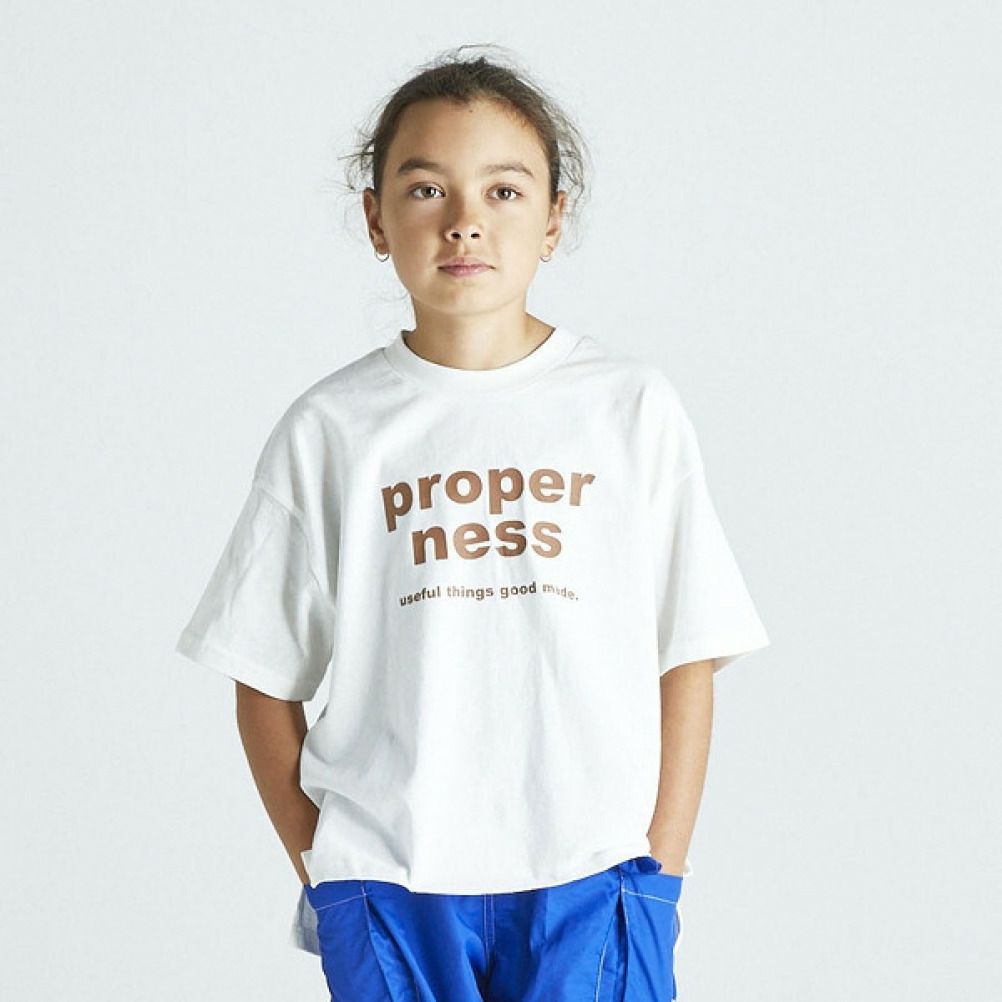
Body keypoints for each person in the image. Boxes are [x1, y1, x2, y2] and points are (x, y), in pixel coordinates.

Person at [175, 43, 770, 1002]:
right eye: (426, 190)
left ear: (553, 218)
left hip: (596, 876)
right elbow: (261, 673)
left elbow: (688, 655)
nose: (464, 222)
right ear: (376, 218)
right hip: (391, 880)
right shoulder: (333, 428)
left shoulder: (628, 409)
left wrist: (659, 871)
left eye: (503, 191)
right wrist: (327, 875)